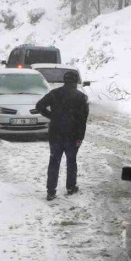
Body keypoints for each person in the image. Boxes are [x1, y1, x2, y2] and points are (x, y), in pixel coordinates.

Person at [36, 71, 90, 200]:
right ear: (76, 81)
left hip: (55, 134)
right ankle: (71, 187)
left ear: (64, 80)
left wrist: (52, 117)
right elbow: (83, 120)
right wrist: (80, 138)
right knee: (71, 161)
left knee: (54, 161)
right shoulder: (81, 97)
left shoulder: (54, 94)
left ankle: (51, 191)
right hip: (72, 135)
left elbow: (39, 106)